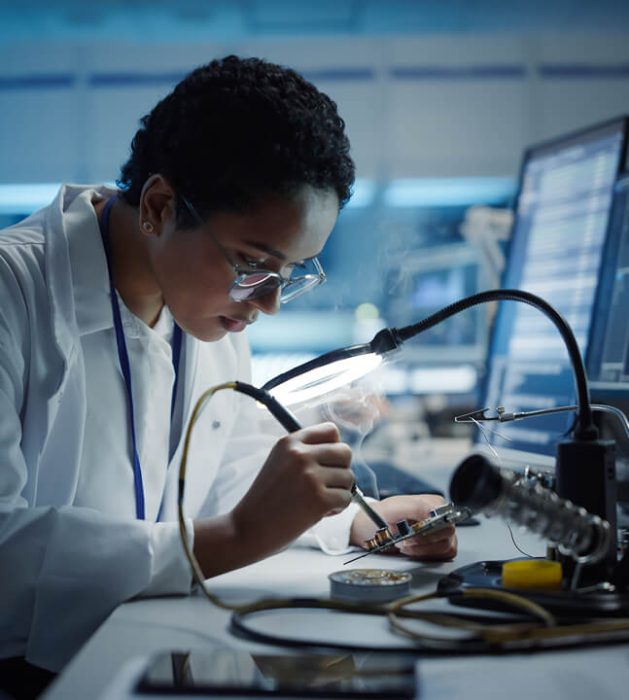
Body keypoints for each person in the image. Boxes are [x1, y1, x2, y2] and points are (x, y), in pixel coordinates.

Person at [0, 55, 457, 695]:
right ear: (159, 205)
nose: (268, 302)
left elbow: (230, 471)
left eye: (292, 272)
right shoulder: (13, 293)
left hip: (138, 653)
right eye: (253, 262)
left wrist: (359, 518)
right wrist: (237, 537)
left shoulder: (206, 311)